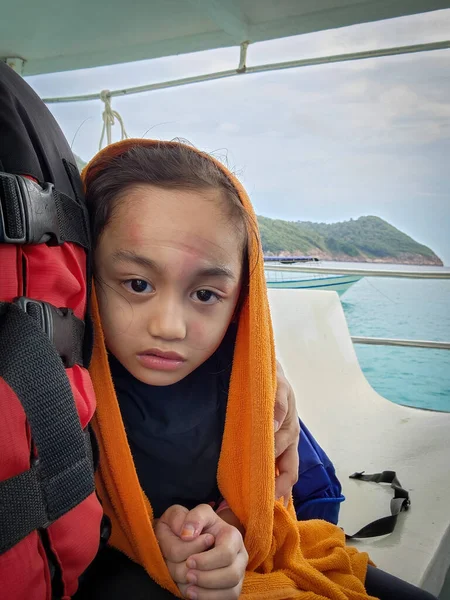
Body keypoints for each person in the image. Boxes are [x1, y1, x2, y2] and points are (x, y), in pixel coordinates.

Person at [76, 139, 437, 600]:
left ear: (243, 298)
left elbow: (274, 501)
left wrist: (224, 535)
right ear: (86, 270)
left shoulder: (252, 389)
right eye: (138, 284)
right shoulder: (60, 392)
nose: (169, 327)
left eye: (205, 294)